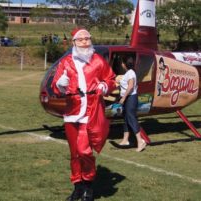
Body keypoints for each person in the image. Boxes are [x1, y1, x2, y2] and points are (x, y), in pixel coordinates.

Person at [51, 28, 116, 201]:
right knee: (74, 153)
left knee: (84, 150)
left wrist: (104, 86)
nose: (85, 42)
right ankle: (77, 187)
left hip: (91, 110)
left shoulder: (98, 61)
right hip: (72, 111)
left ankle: (88, 185)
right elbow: (56, 88)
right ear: (74, 42)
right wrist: (61, 85)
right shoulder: (66, 62)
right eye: (80, 40)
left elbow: (110, 80)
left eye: (87, 38)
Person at [118, 57, 146, 152]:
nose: (121, 64)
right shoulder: (128, 73)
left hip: (131, 98)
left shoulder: (130, 73)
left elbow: (130, 86)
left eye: (122, 62)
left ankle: (140, 141)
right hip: (128, 98)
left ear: (124, 64)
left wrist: (124, 97)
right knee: (125, 118)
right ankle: (125, 140)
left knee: (131, 118)